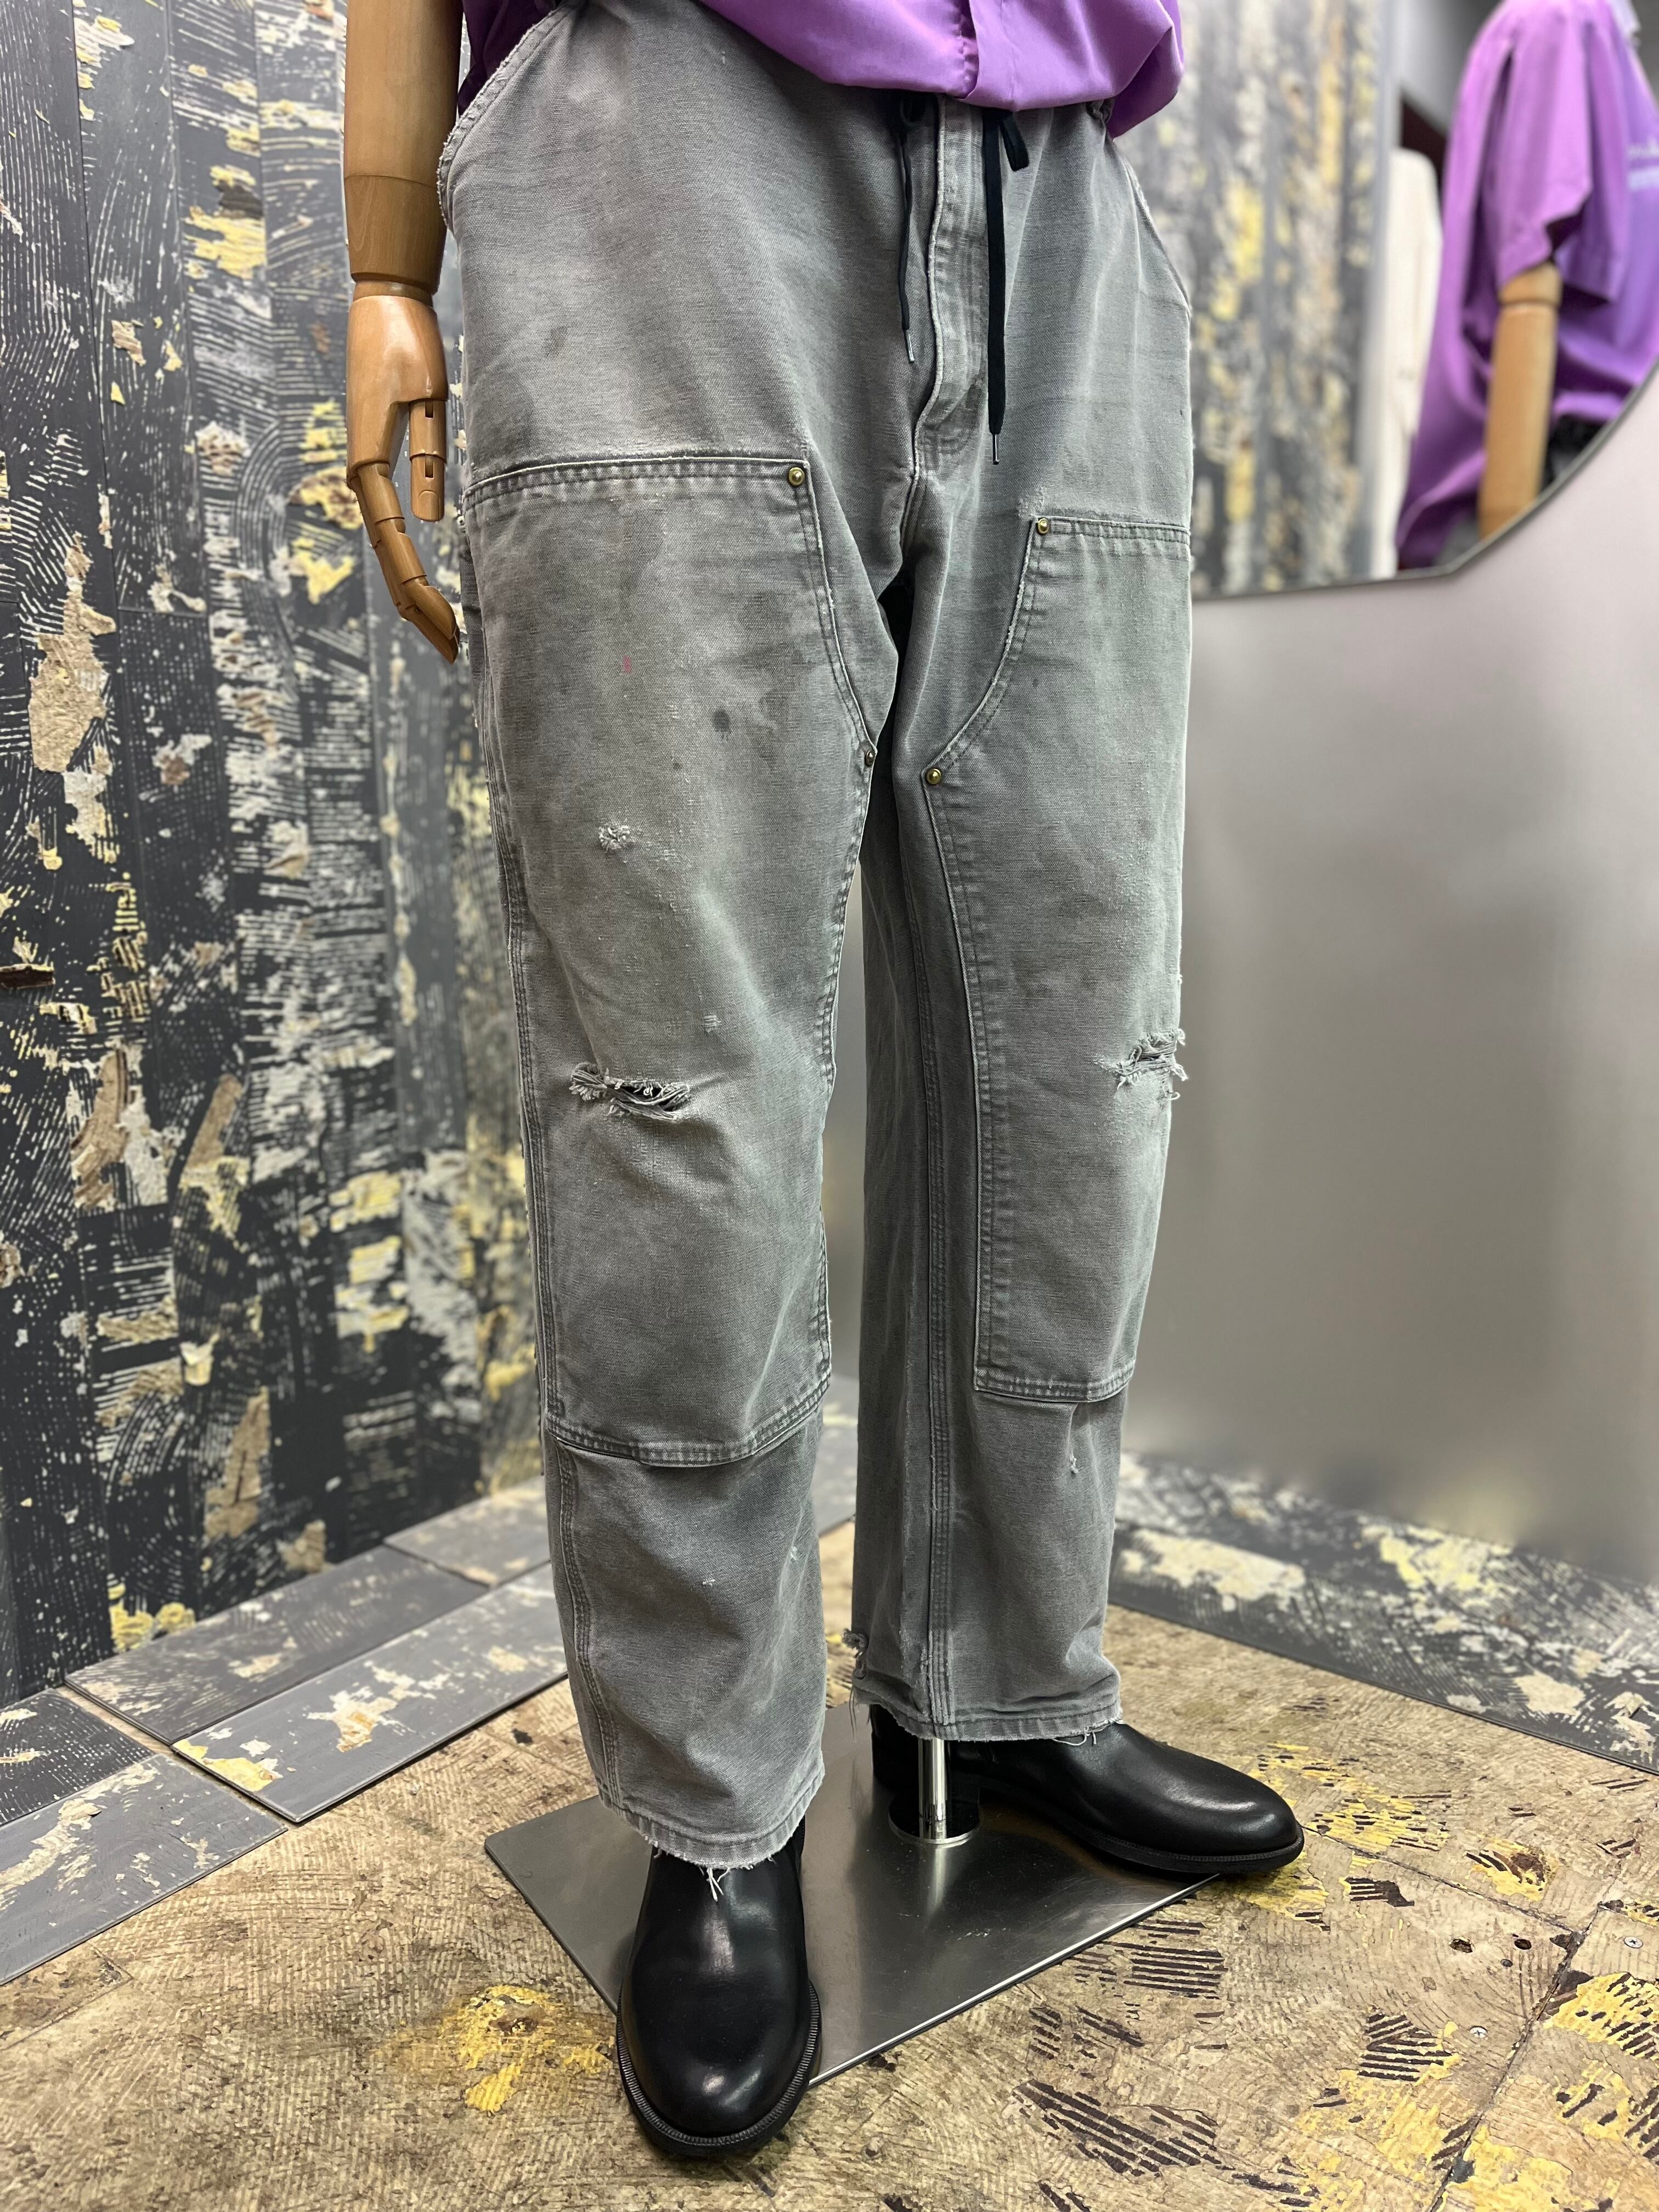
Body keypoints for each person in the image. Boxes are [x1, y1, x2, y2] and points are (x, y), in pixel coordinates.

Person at [344, 0, 1302, 2160]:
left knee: (1077, 1056)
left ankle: (1006, 1690)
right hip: (669, 145)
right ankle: (718, 1812)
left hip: (1064, 180)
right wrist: (385, 263)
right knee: (678, 1085)